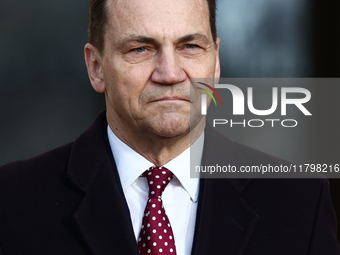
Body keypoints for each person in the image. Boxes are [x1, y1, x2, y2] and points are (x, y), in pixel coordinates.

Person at [0, 0, 339, 254]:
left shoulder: (300, 200)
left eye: (190, 46)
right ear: (96, 67)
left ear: (216, 61)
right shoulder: (13, 201)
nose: (170, 73)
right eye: (141, 49)